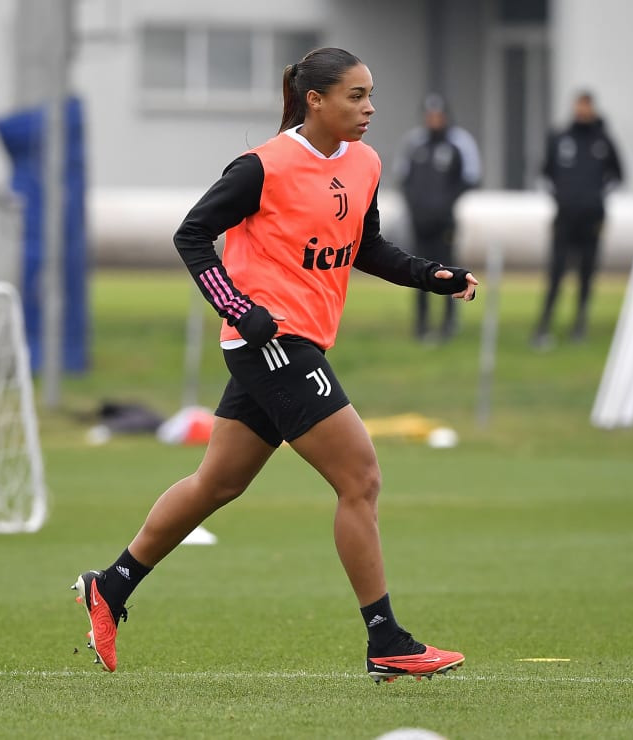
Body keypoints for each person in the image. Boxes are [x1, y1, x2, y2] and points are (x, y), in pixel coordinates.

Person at [71, 47, 477, 683]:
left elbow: (363, 245)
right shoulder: (264, 166)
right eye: (355, 96)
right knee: (360, 478)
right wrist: (239, 308)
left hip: (301, 340)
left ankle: (112, 586)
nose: (369, 109)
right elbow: (192, 235)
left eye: (371, 96)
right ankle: (386, 641)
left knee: (218, 483)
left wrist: (432, 276)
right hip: (273, 342)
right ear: (314, 100)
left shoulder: (364, 163)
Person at [531, 91, 625, 349]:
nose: (582, 110)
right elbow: (545, 174)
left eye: (587, 106)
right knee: (556, 272)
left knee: (586, 273)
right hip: (565, 217)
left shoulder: (603, 141)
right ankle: (544, 325)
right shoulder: (561, 138)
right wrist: (562, 198)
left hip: (592, 219)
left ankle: (579, 325)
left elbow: (617, 177)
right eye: (579, 105)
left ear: (592, 108)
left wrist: (593, 199)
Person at [394, 94, 480, 343]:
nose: (434, 120)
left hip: (444, 223)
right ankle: (421, 323)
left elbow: (470, 178)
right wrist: (415, 208)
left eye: (438, 115)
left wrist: (444, 205)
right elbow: (404, 179)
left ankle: (448, 322)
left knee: (449, 271)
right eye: (429, 115)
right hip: (420, 222)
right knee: (418, 271)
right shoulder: (415, 144)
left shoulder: (458, 144)